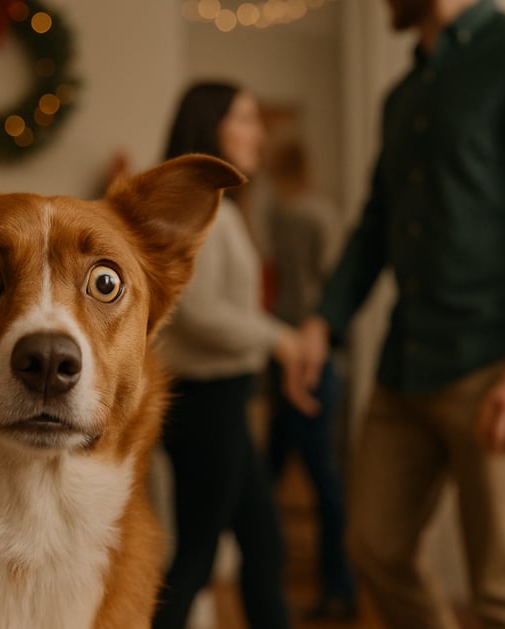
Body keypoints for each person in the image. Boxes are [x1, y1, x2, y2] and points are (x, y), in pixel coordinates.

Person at [285, 1, 505, 628]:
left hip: (498, 369)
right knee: (373, 548)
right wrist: (324, 320)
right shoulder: (402, 95)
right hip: (405, 366)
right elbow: (377, 222)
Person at [153, 81, 314, 629]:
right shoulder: (198, 215)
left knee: (264, 547)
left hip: (224, 399)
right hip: (204, 404)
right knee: (196, 559)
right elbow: (196, 311)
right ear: (210, 128)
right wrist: (279, 338)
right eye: (244, 119)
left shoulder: (221, 209)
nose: (259, 133)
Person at [261, 138, 356, 621]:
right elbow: (331, 286)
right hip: (309, 353)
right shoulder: (315, 214)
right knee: (316, 481)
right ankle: (320, 589)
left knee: (286, 480)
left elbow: (295, 282)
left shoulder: (287, 215)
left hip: (294, 352)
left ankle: (333, 587)